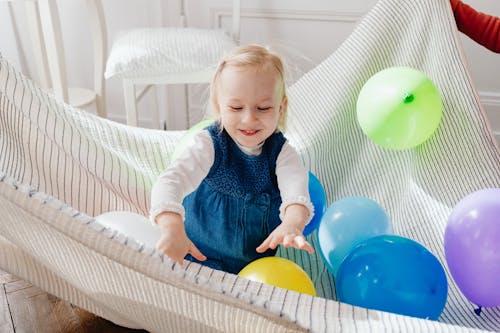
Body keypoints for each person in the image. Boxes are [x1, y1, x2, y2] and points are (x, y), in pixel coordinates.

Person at [150, 44, 315, 274]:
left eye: (263, 108)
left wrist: (291, 224)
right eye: (236, 107)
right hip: (191, 253)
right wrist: (172, 229)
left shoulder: (282, 154)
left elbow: (297, 194)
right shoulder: (210, 145)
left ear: (280, 108)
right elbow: (170, 181)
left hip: (251, 271)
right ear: (220, 106)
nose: (249, 119)